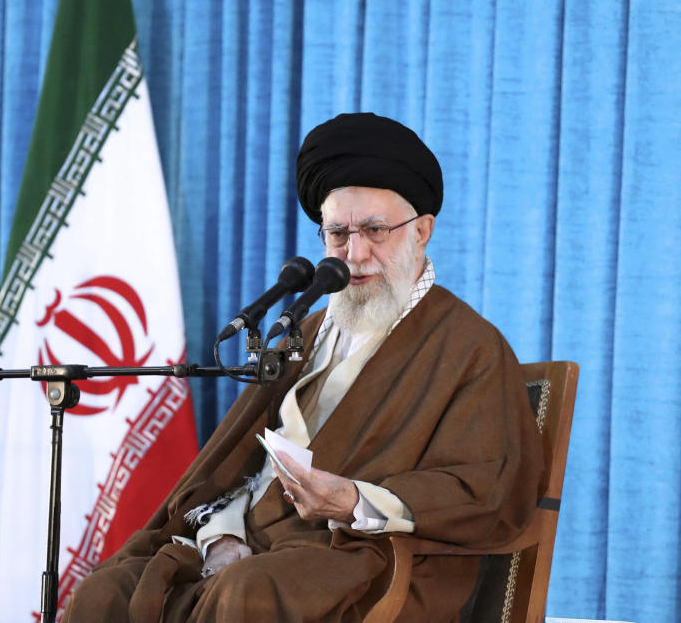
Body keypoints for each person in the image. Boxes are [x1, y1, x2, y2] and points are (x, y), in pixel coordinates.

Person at [62, 113, 544, 622]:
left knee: (249, 591)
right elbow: (241, 470)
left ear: (421, 231)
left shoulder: (470, 345)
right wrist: (222, 535)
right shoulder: (304, 331)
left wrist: (354, 498)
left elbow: (488, 489)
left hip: (365, 561)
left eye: (375, 231)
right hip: (261, 546)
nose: (355, 255)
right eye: (338, 235)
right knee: (107, 591)